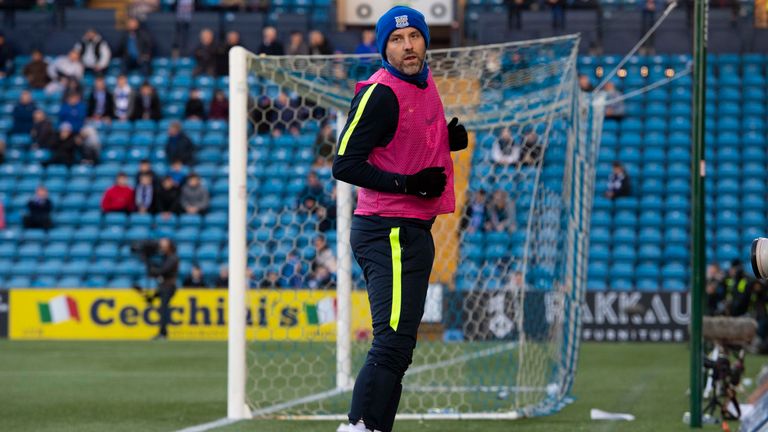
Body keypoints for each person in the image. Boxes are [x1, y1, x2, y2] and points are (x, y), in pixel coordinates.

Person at [331, 7, 467, 432]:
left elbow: (404, 143)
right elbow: (344, 164)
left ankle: (373, 428)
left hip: (412, 230)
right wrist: (408, 184)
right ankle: (357, 428)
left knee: (400, 347)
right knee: (390, 343)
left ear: (425, 41)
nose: (407, 45)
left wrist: (447, 141)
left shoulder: (425, 84)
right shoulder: (379, 92)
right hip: (385, 228)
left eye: (414, 36)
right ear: (383, 47)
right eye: (396, 39)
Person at [148, 238, 179, 340]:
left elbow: (164, 270)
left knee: (164, 308)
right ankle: (162, 332)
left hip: (168, 286)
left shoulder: (172, 258)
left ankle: (163, 333)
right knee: (162, 308)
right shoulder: (165, 257)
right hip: (163, 286)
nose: (161, 246)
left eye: (164, 244)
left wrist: (154, 270)